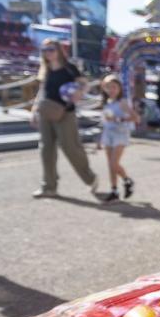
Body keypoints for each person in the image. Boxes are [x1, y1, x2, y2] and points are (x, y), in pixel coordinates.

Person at [31, 38, 100, 199]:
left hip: (65, 113)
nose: (48, 53)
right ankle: (49, 186)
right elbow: (42, 92)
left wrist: (80, 93)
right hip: (46, 112)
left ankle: (90, 178)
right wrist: (34, 110)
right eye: (45, 50)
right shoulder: (45, 69)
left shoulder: (70, 68)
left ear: (59, 50)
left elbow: (85, 84)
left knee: (70, 148)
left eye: (51, 49)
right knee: (46, 150)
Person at [98, 74, 136, 201]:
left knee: (114, 164)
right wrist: (99, 139)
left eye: (114, 87)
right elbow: (104, 122)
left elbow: (136, 118)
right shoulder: (106, 102)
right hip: (108, 134)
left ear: (119, 88)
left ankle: (127, 180)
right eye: (108, 87)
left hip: (120, 134)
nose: (111, 90)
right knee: (110, 165)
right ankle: (114, 190)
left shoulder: (123, 102)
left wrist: (117, 118)